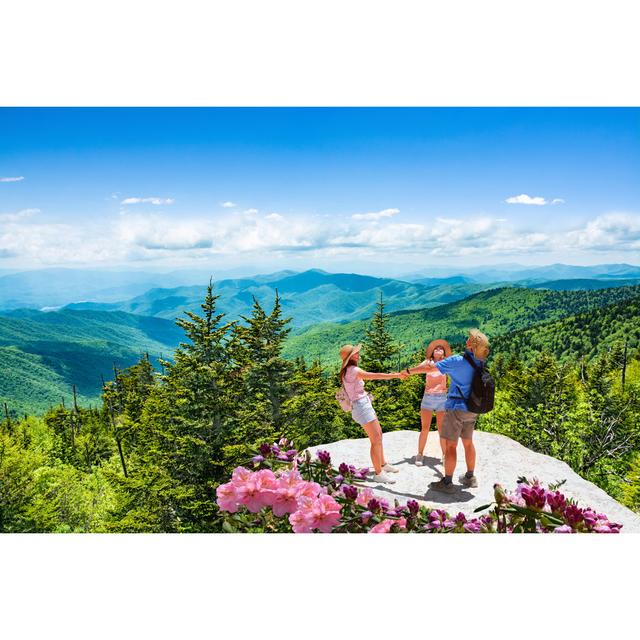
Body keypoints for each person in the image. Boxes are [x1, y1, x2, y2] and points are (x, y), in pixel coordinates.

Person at [404, 329, 490, 494]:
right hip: (473, 408)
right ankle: (470, 477)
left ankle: (447, 482)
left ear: (470, 344)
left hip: (456, 407)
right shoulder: (480, 362)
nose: (466, 339)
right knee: (468, 442)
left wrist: (408, 371)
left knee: (451, 445)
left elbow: (430, 369)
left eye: (469, 339)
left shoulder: (458, 360)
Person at [340, 343, 406, 485]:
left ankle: (383, 464)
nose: (358, 355)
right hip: (362, 407)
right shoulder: (353, 370)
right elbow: (375, 376)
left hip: (363, 405)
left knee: (379, 435)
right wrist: (395, 375)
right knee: (375, 440)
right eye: (355, 354)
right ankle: (378, 473)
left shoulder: (347, 370)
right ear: (350, 358)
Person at [414, 339, 451, 467]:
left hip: (442, 399)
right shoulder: (427, 363)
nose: (438, 349)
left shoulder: (446, 363)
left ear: (444, 352)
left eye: (441, 348)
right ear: (432, 351)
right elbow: (416, 369)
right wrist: (406, 372)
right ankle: (419, 454)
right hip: (428, 398)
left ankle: (445, 455)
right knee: (425, 428)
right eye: (436, 348)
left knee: (442, 430)